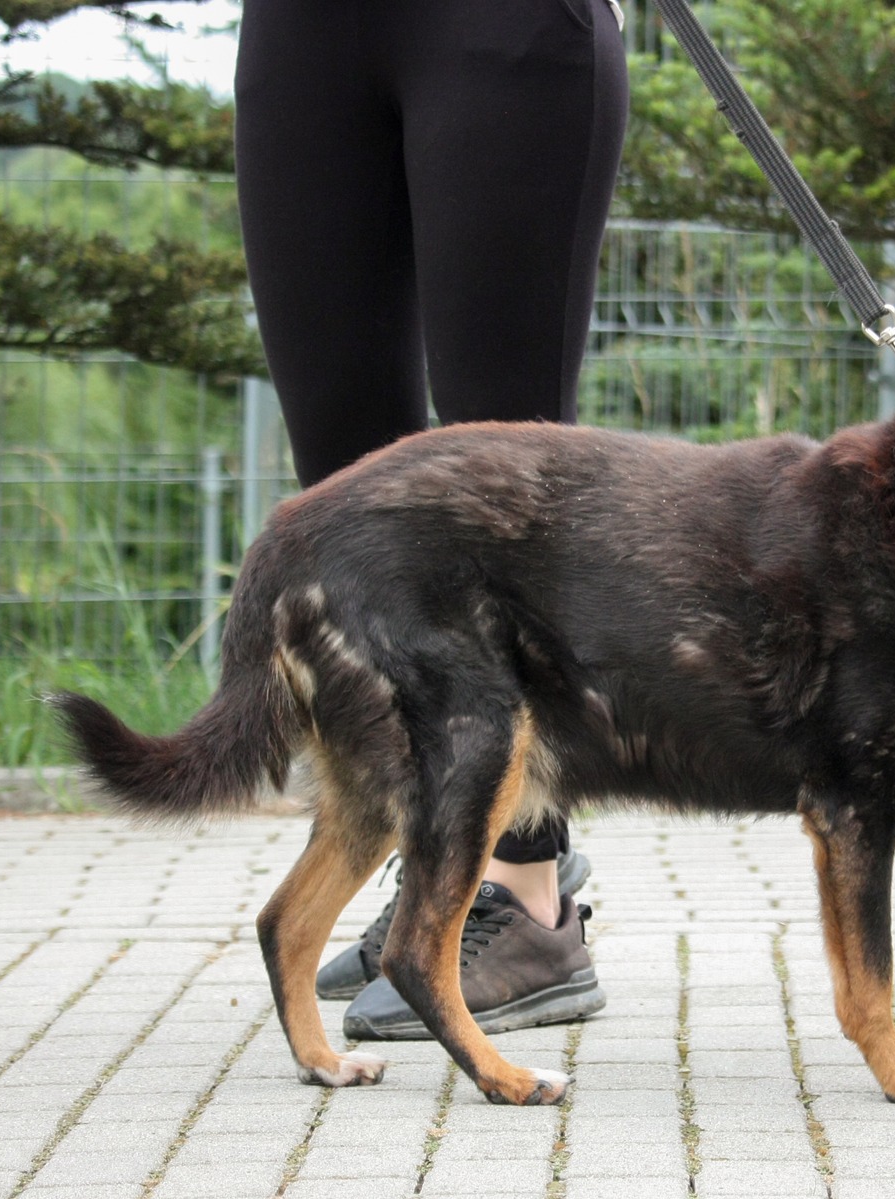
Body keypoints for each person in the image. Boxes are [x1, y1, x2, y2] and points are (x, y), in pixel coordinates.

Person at [233, 0, 629, 1038]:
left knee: (506, 478)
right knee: (349, 491)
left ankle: (529, 900)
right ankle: (430, 869)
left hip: (500, 27)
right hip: (303, 29)